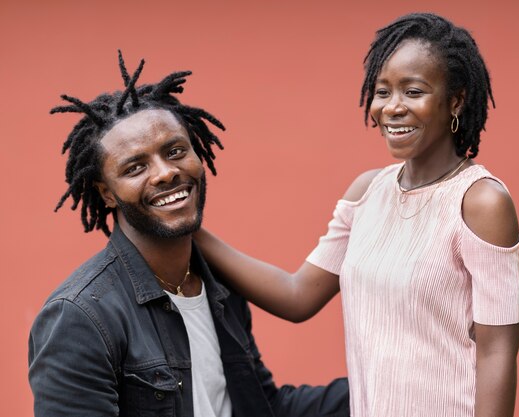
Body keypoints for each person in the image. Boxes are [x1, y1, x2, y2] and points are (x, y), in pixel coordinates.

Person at [193, 13, 519, 417]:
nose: (392, 108)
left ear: (455, 100)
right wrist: (191, 234)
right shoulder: (367, 193)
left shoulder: (480, 203)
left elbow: (497, 352)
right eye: (382, 92)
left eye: (413, 91)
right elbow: (298, 296)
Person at [28, 51, 349, 417]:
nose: (165, 173)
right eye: (135, 167)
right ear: (106, 192)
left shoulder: (220, 289)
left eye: (176, 151)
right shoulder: (81, 318)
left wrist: (386, 384)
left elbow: (263, 407)